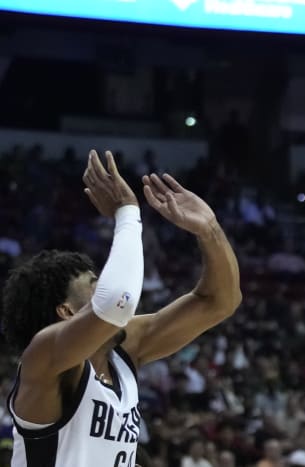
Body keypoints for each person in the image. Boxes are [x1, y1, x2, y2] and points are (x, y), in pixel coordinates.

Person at [1, 150, 242, 466]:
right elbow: (117, 301)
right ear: (66, 312)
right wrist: (127, 213)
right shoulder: (44, 359)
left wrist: (208, 230)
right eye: (94, 284)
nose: (105, 284)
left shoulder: (126, 350)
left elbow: (221, 301)